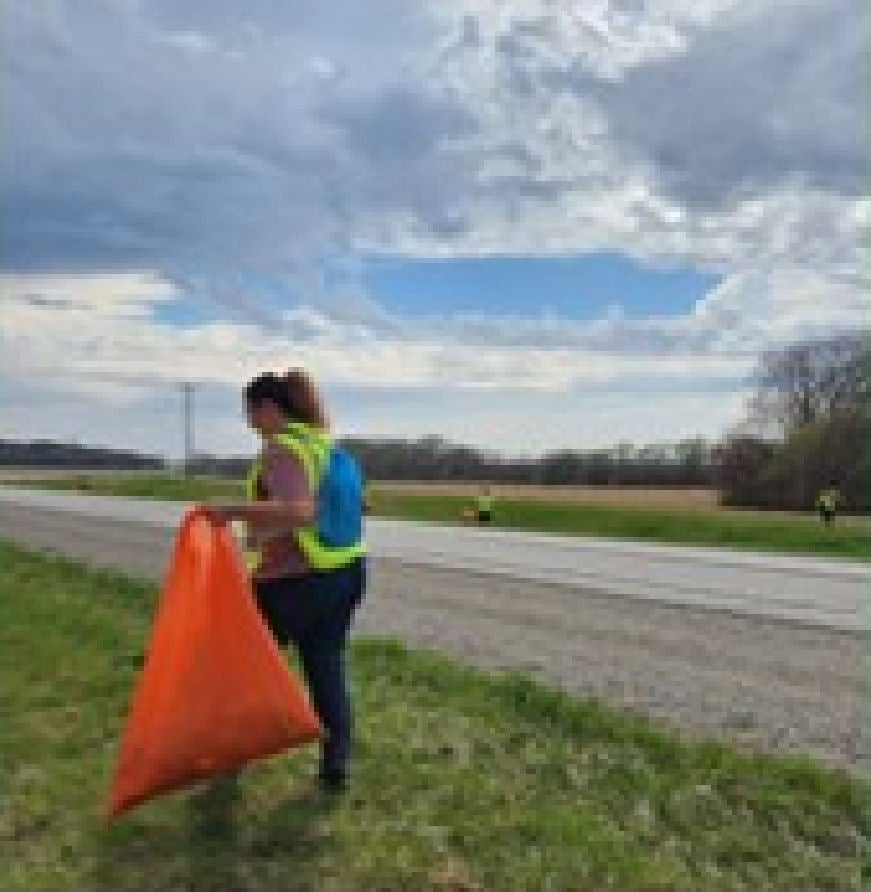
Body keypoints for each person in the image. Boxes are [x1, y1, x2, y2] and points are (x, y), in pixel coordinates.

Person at [202, 370, 366, 792]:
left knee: (248, 668)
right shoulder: (324, 444)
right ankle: (336, 764)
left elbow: (299, 511)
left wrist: (229, 512)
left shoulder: (284, 449)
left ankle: (234, 756)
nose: (249, 421)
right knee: (325, 666)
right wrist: (264, 534)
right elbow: (328, 511)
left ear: (270, 409)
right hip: (344, 572)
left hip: (293, 584)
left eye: (250, 411)